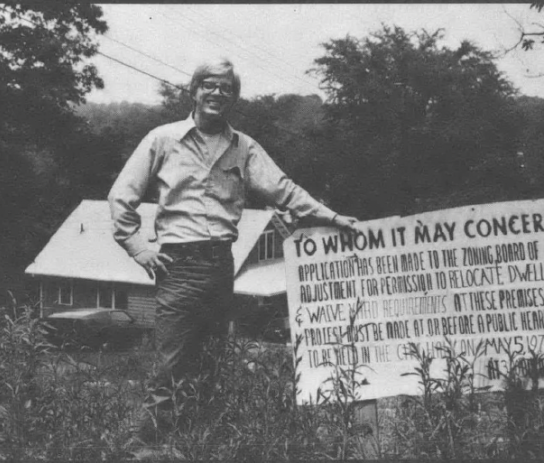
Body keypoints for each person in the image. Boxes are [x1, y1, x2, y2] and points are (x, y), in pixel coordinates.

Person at [108, 57, 357, 442]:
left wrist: (332, 217)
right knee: (171, 367)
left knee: (210, 364)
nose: (217, 93)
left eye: (227, 88)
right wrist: (140, 250)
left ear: (234, 98)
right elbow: (121, 197)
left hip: (221, 265)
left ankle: (195, 445)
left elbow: (283, 189)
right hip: (178, 265)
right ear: (193, 91)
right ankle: (134, 450)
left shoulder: (244, 147)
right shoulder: (163, 139)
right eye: (209, 85)